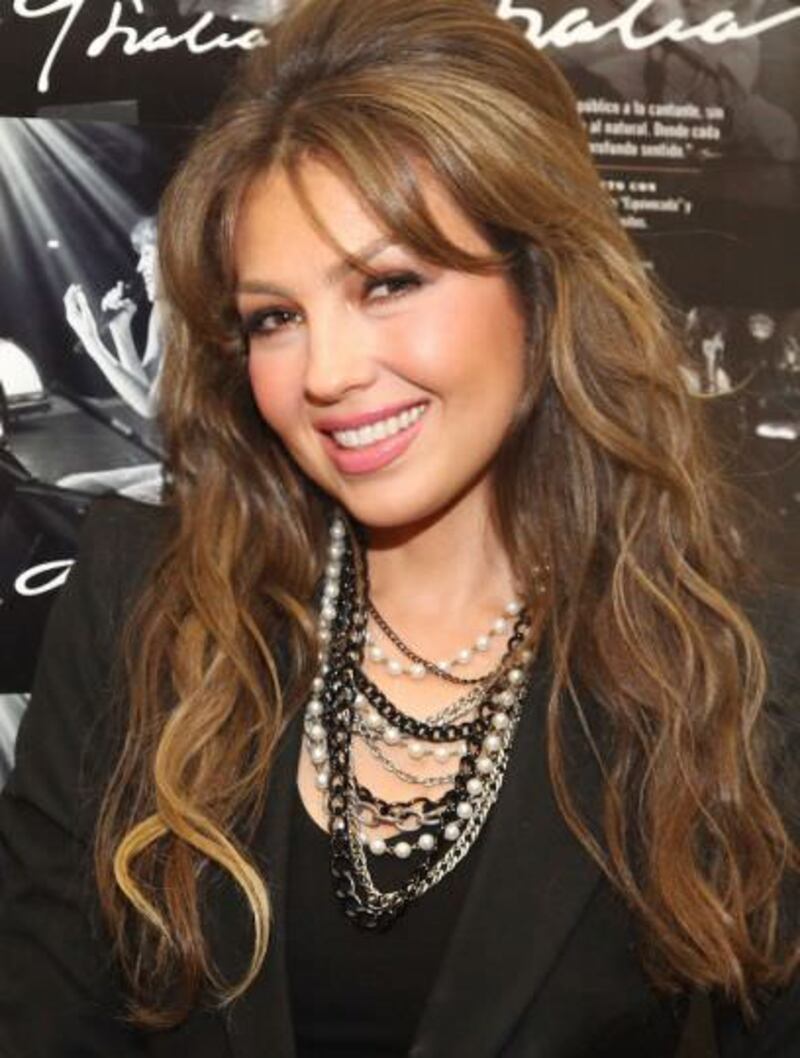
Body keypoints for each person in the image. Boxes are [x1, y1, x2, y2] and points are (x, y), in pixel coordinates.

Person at [0, 1, 797, 1056]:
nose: (326, 373)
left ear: (540, 285)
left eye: (388, 283)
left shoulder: (729, 668)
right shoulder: (136, 608)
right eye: (275, 317)